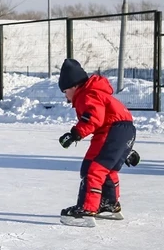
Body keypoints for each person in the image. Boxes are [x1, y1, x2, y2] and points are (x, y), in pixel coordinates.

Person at [57, 58, 141, 226]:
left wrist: (75, 134)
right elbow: (116, 124)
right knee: (104, 169)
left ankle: (86, 210)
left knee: (93, 171)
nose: (65, 97)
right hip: (117, 131)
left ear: (73, 86)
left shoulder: (87, 95)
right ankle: (109, 204)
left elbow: (94, 117)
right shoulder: (96, 93)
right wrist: (125, 151)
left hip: (112, 131)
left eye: (65, 91)